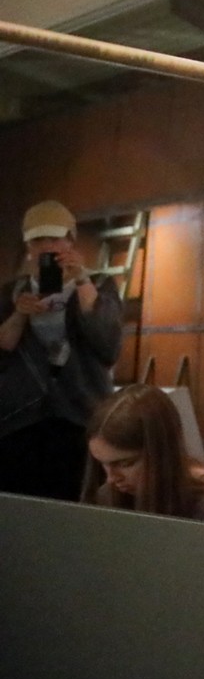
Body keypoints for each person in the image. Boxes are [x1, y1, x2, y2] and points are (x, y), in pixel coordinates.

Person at [0, 200, 123, 501]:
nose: (47, 246)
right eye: (38, 240)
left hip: (82, 411)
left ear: (71, 239)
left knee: (77, 500)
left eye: (55, 238)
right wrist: (20, 314)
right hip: (22, 415)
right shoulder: (12, 291)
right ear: (28, 246)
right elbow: (4, 348)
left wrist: (81, 280)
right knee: (20, 505)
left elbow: (108, 345)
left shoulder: (99, 284)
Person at [82, 382, 204, 525]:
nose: (111, 479)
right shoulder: (108, 496)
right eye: (103, 463)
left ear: (162, 454)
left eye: (125, 464)